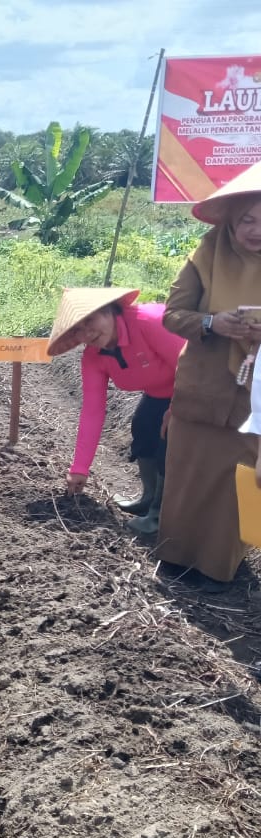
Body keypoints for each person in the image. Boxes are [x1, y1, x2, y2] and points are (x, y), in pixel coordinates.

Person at [157, 160, 261, 590]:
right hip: (203, 384)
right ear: (232, 222)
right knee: (189, 474)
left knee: (237, 481)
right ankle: (177, 556)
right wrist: (211, 324)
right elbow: (171, 315)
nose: (256, 230)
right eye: (248, 220)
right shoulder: (205, 256)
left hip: (253, 396)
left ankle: (221, 567)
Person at [47, 287, 183, 534]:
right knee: (142, 428)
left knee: (170, 442)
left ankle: (160, 516)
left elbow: (189, 366)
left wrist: (176, 408)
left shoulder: (149, 322)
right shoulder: (94, 356)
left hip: (198, 387)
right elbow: (92, 411)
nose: (87, 332)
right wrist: (79, 469)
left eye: (90, 320)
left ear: (110, 311)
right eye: (78, 328)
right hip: (159, 391)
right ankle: (149, 498)